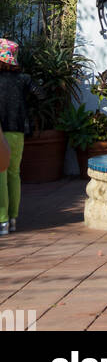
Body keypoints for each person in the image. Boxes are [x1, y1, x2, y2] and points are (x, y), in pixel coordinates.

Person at [0, 39, 33, 235]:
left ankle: (2, 221)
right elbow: (42, 94)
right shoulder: (24, 79)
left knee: (0, 175)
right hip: (18, 131)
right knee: (14, 174)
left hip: (1, 132)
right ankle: (12, 219)